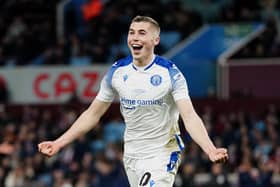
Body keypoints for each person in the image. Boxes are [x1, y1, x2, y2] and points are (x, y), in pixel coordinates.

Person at [38, 15, 228, 187]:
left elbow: (189, 116)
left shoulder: (171, 73)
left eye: (142, 33)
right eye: (131, 33)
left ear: (155, 40)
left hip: (162, 153)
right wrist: (59, 143)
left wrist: (210, 149)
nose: (135, 37)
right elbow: (92, 113)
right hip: (132, 155)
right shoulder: (117, 72)